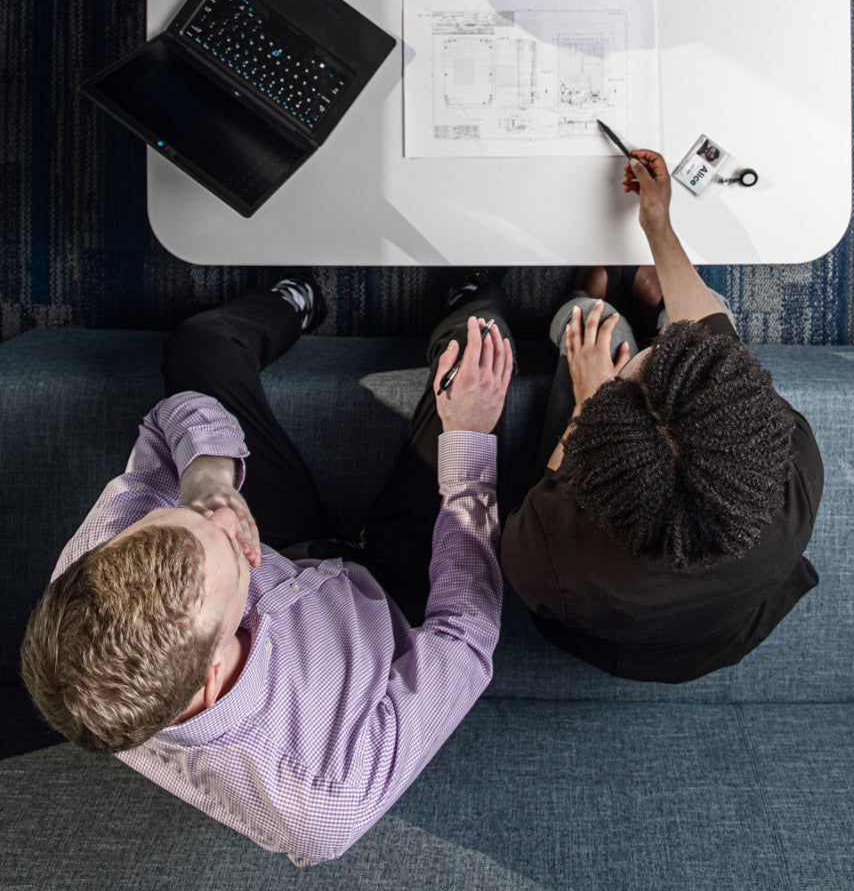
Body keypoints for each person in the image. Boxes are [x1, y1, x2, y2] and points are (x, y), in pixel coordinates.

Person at [20, 275, 514, 866]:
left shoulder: (89, 576)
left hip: (283, 542)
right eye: (229, 548)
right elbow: (467, 632)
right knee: (478, 353)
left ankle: (298, 298)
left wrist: (207, 482)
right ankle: (471, 294)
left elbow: (167, 423)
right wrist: (468, 439)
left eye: (189, 518)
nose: (226, 523)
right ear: (210, 675)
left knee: (198, 344)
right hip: (394, 601)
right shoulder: (325, 793)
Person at [500, 151, 824, 682]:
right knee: (696, 312)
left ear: (597, 457)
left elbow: (546, 496)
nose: (660, 352)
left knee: (597, 328)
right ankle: (652, 298)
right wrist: (658, 224)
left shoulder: (546, 556)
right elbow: (714, 340)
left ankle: (586, 298)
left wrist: (587, 399)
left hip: (623, 637)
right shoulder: (790, 465)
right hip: (725, 624)